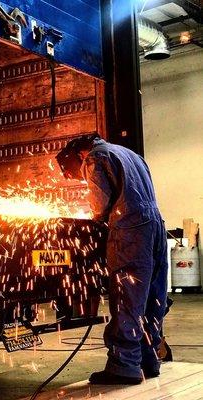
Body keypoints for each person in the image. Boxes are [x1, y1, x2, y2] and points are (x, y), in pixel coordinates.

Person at [56, 133, 168, 385]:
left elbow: (100, 204)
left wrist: (93, 217)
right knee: (151, 296)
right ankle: (147, 361)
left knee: (127, 296)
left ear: (79, 155)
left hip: (130, 229)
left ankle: (124, 365)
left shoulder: (96, 157)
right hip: (156, 226)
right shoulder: (132, 155)